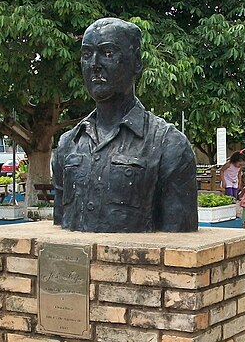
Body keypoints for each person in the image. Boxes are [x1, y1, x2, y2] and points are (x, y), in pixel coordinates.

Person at [52, 17, 198, 233]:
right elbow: (61, 231)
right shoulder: (68, 144)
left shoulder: (170, 146)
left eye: (108, 53)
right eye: (86, 55)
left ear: (136, 62)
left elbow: (178, 243)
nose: (94, 65)